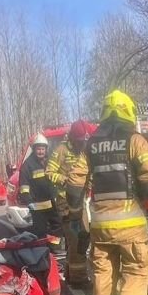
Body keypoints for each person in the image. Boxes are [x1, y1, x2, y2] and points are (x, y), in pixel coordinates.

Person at [67, 90, 148, 295]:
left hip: (100, 226)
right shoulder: (135, 140)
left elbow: (75, 182)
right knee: (135, 273)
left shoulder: (91, 144)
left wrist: (75, 215)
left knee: (103, 274)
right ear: (128, 111)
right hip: (130, 225)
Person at [47, 120, 94, 286]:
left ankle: (70, 272)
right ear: (72, 137)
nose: (82, 143)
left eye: (84, 140)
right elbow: (49, 172)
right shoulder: (61, 150)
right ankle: (78, 278)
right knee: (76, 239)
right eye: (79, 140)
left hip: (82, 202)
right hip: (66, 203)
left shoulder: (85, 151)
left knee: (82, 237)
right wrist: (65, 181)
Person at [18, 134, 59, 241]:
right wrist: (29, 201)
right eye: (38, 149)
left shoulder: (50, 162)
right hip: (37, 206)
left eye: (43, 149)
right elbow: (24, 186)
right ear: (34, 149)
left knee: (57, 226)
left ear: (46, 149)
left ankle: (55, 248)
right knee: (40, 231)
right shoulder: (28, 165)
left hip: (51, 203)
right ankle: (42, 249)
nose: (41, 151)